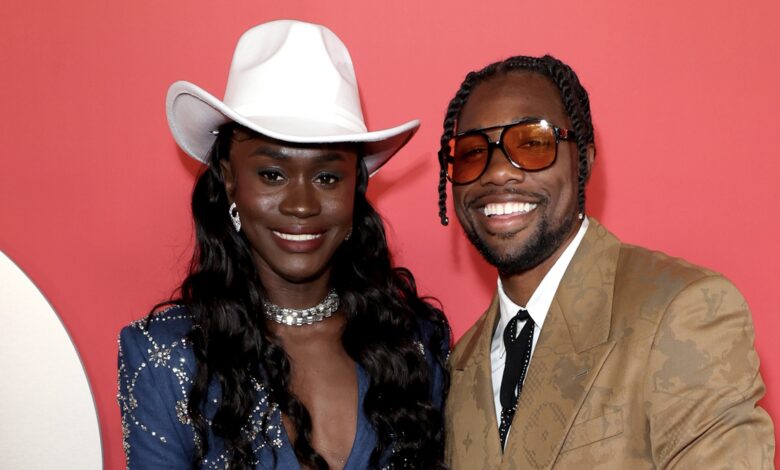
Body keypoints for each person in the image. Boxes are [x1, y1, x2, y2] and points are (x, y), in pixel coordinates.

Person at [117, 20, 449, 470]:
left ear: (356, 188)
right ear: (230, 181)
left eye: (328, 176)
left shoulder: (416, 341)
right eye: (272, 174)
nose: (301, 205)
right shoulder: (164, 358)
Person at [437, 55, 774, 468]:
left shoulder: (682, 313)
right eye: (472, 152)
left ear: (584, 162)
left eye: (531, 143)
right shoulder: (458, 364)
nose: (496, 173)